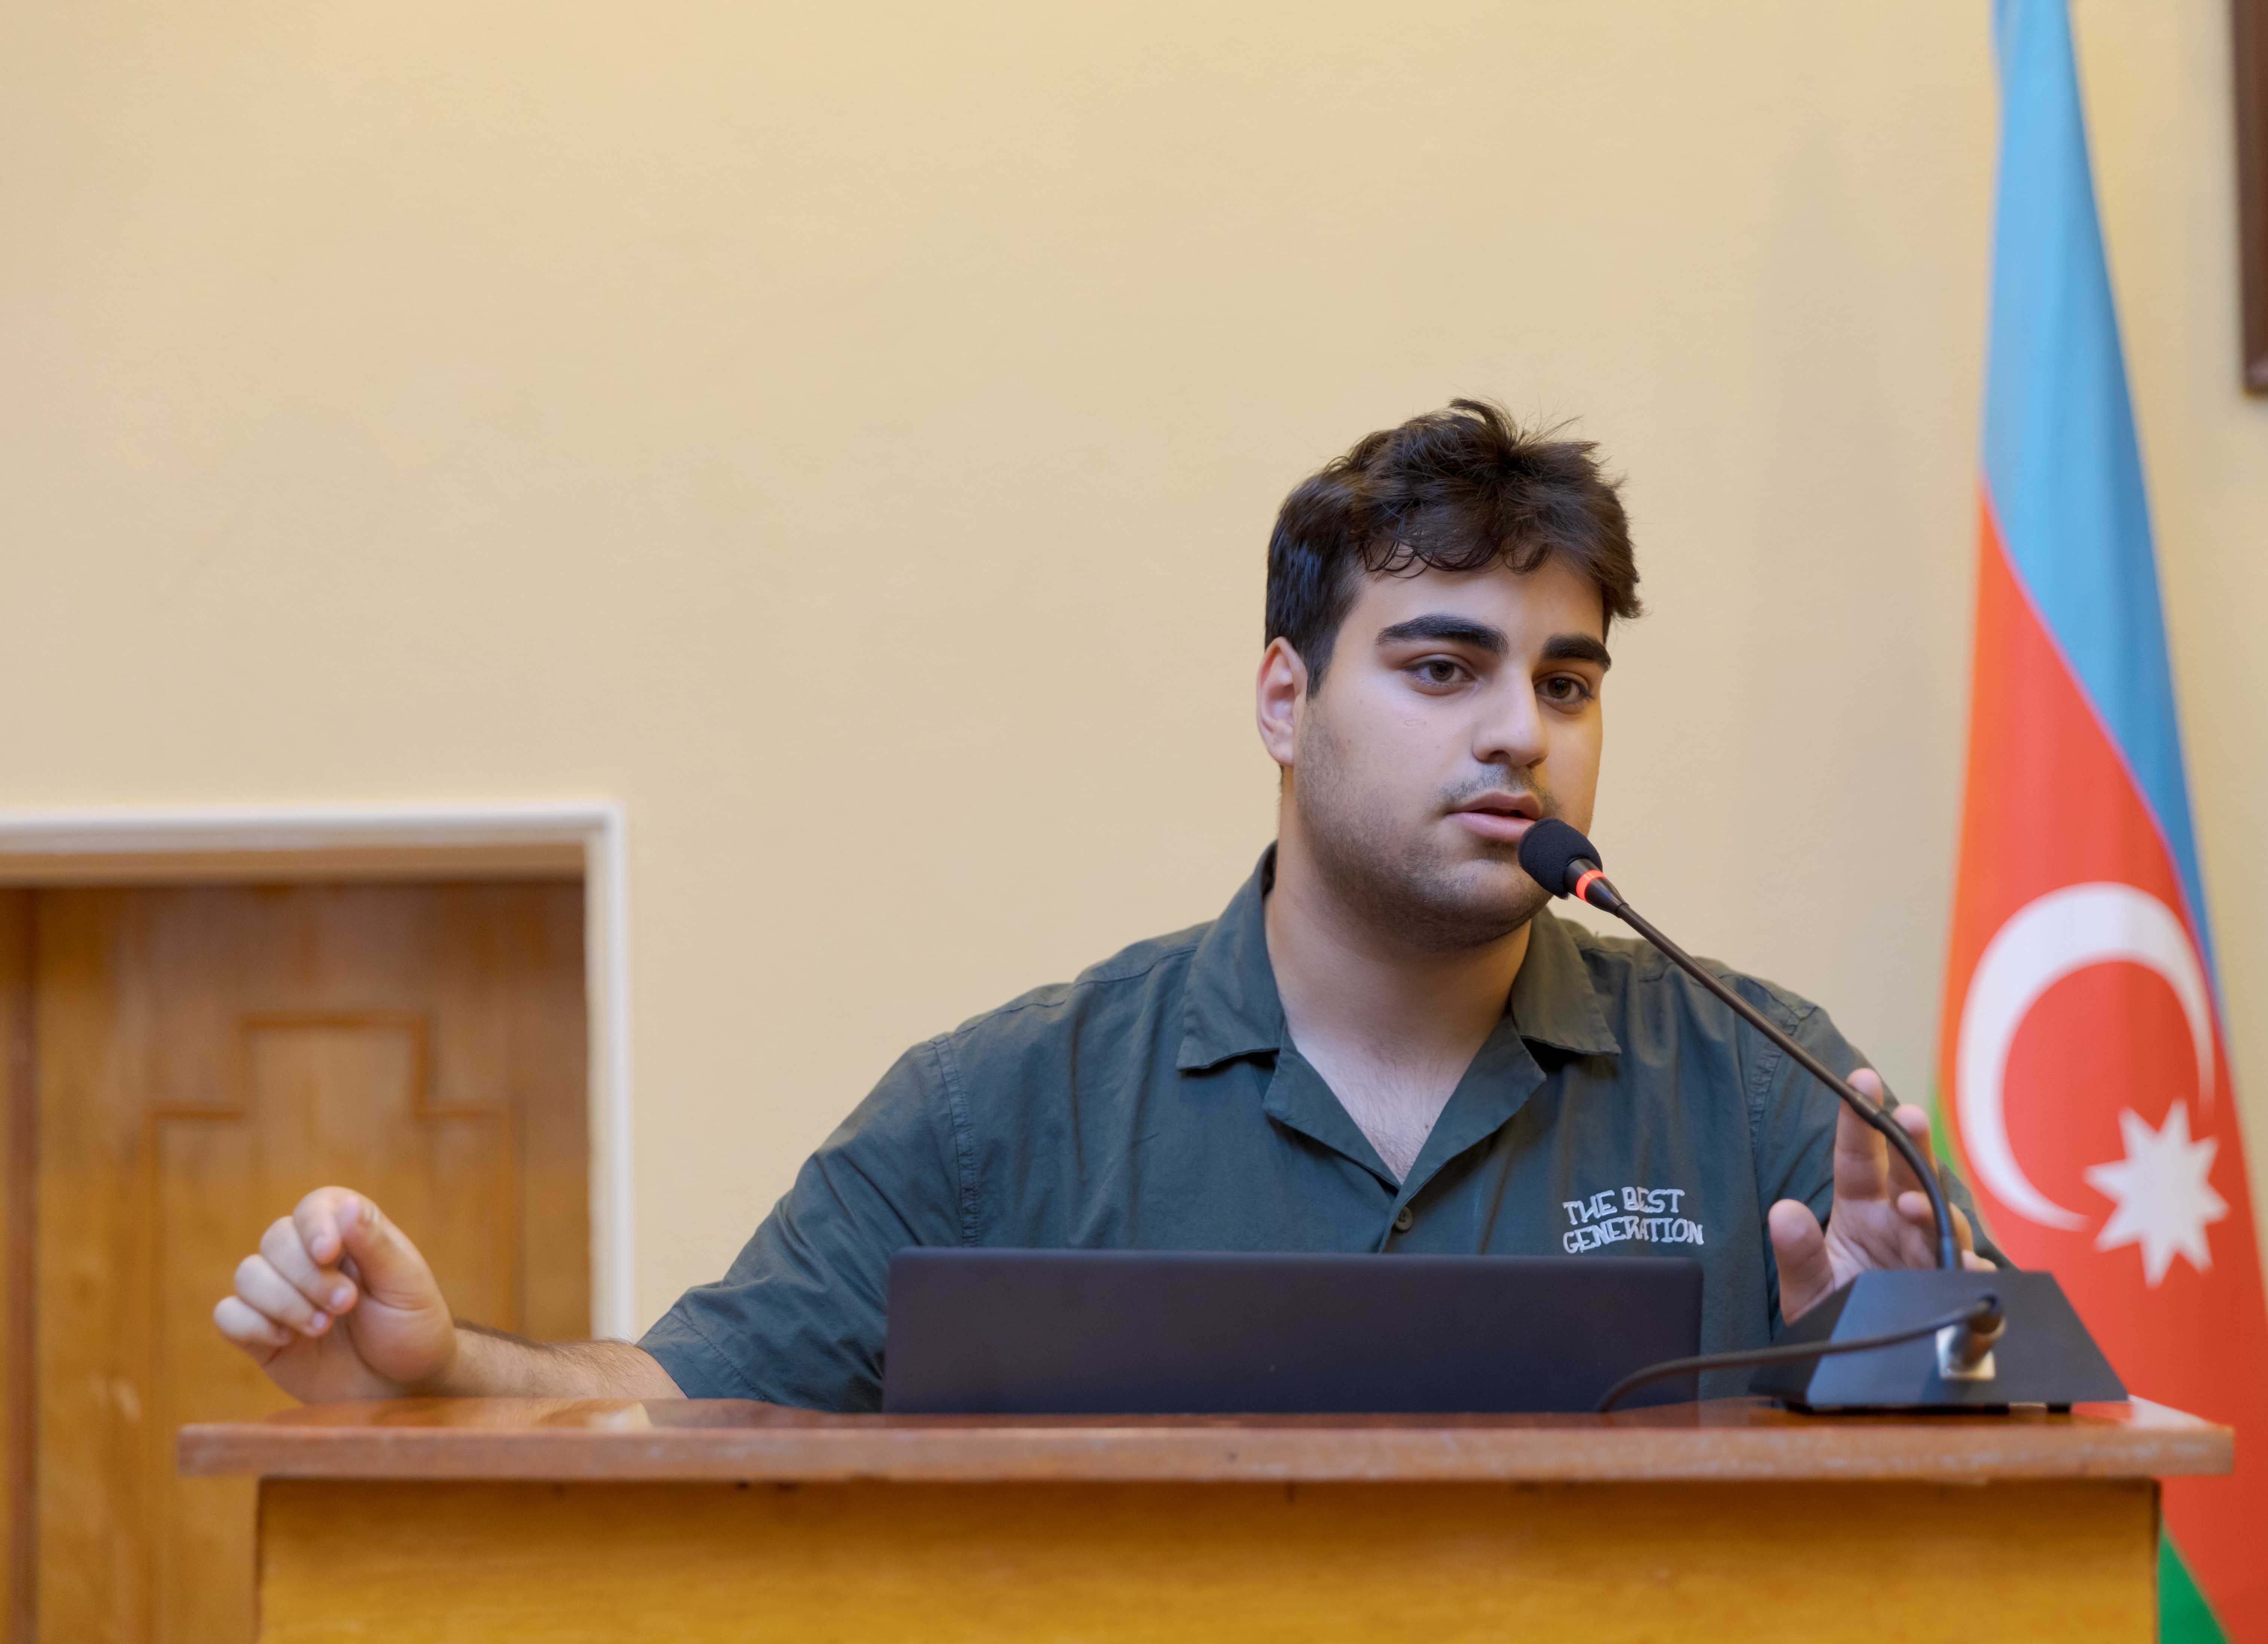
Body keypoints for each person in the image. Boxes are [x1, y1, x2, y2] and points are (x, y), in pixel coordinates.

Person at [212, 400, 1991, 1410]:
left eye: (1569, 683)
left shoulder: (1761, 1085)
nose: (1523, 731)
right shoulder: (1002, 1113)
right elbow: (691, 1399)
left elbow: (1999, 1452)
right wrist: (447, 1373)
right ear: (1285, 700)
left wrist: (1916, 1363)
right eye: (1444, 667)